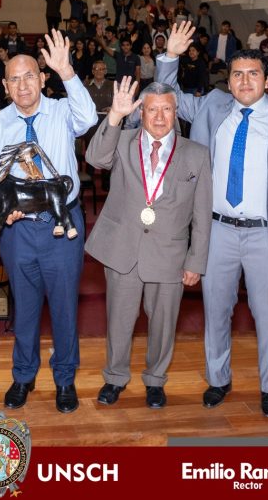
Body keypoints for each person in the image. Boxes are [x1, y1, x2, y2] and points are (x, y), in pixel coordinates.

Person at [156, 23, 268, 418]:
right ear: (229, 81)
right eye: (238, 74)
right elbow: (168, 97)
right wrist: (170, 57)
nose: (245, 81)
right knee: (215, 309)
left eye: (254, 73)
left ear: (267, 80)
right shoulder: (212, 107)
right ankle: (218, 379)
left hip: (265, 234)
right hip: (216, 229)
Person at [0, 31, 98, 413]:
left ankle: (64, 379)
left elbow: (89, 116)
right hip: (18, 231)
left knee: (64, 307)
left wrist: (67, 71)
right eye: (14, 78)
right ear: (4, 85)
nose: (22, 84)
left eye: (29, 75)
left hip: (61, 227)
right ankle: (23, 376)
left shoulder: (63, 112)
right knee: (25, 307)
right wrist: (2, 209)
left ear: (42, 78)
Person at [86, 78, 211, 408]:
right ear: (140, 112)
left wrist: (196, 262)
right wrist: (114, 115)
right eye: (152, 109)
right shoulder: (123, 142)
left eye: (166, 109)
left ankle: (155, 379)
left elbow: (201, 213)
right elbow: (96, 158)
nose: (159, 117)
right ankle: (115, 377)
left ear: (176, 112)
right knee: (119, 320)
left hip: (170, 255)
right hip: (123, 250)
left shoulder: (197, 155)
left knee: (163, 324)